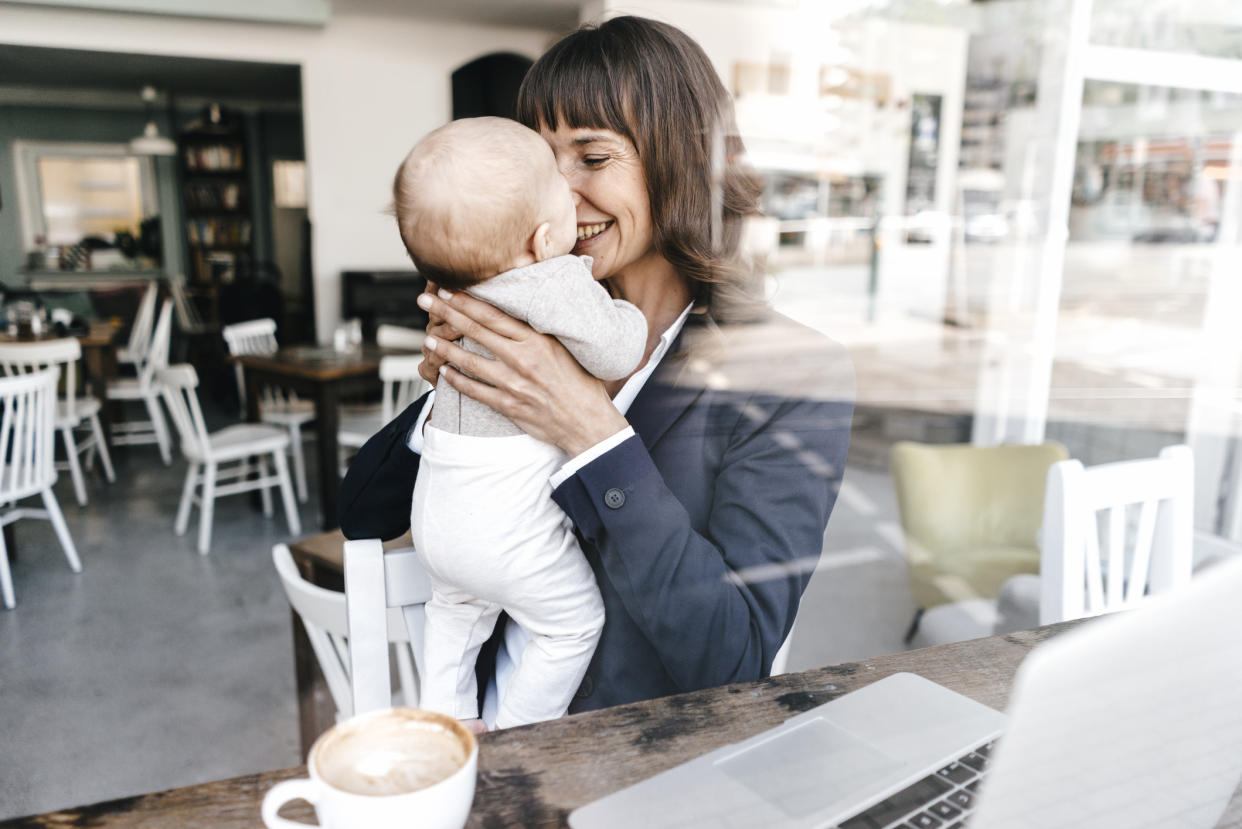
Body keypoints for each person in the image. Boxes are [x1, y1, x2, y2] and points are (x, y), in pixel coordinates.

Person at [340, 15, 854, 719]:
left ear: (681, 159)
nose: (559, 196)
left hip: (626, 769)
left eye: (593, 157)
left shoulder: (793, 373)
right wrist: (450, 394)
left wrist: (592, 431)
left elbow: (733, 659)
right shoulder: (524, 320)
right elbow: (362, 512)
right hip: (485, 743)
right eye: (541, 164)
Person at [391, 117, 647, 730]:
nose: (573, 195)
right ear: (540, 239)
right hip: (502, 526)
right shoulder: (549, 281)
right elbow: (614, 351)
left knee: (454, 616)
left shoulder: (453, 294)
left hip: (437, 518)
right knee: (571, 624)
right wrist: (626, 314)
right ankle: (517, 738)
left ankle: (446, 728)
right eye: (560, 187)